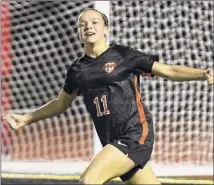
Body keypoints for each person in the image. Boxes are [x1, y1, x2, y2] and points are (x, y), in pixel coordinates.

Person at [4, 8, 213, 185]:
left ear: (106, 29)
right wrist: (26, 118)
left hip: (134, 134)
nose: (88, 26)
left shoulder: (124, 55)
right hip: (112, 141)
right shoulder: (77, 70)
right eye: (83, 24)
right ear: (78, 33)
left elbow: (169, 71)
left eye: (95, 22)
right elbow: (60, 104)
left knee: (89, 180)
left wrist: (203, 74)